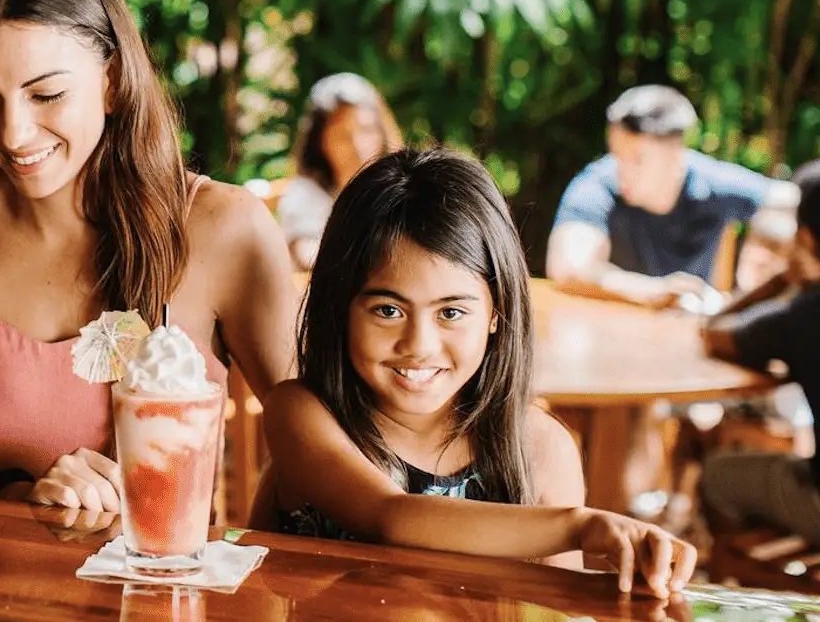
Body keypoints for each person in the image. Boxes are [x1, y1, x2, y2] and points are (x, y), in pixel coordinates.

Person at [0, 0, 300, 510]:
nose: (13, 134)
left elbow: (310, 447)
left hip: (166, 591)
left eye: (47, 94)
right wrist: (18, 496)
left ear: (111, 82)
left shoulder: (224, 231)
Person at [258, 148, 696, 597]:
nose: (419, 345)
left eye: (450, 312)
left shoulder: (540, 449)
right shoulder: (302, 415)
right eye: (387, 310)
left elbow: (555, 608)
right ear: (341, 309)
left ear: (496, 313)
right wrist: (579, 526)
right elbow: (388, 516)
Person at [547, 84, 798, 309]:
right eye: (616, 154)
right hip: (606, 328)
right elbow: (568, 268)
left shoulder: (714, 185)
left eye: (637, 159)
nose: (621, 170)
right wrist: (650, 290)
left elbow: (797, 201)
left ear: (676, 153)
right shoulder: (596, 185)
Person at [700, 159, 820, 543]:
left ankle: (740, 583)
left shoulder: (801, 316)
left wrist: (781, 281)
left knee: (715, 474)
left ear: (806, 239)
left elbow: (715, 333)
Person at [276, 72, 402, 272]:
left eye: (367, 130)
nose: (357, 146)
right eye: (343, 136)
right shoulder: (304, 194)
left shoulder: (400, 188)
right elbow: (308, 255)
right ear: (321, 141)